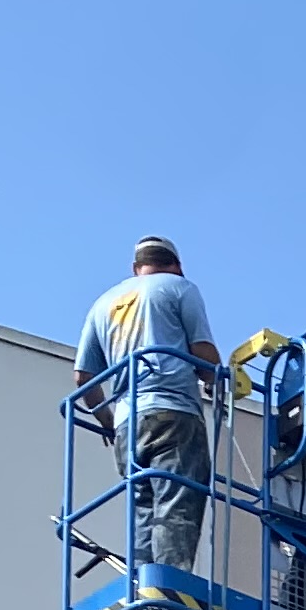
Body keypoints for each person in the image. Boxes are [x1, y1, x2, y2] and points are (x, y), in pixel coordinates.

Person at [73, 238, 223, 570]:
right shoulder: (179, 288)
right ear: (177, 265)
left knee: (144, 508)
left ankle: (142, 583)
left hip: (128, 422)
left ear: (135, 268)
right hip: (174, 410)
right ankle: (169, 585)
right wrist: (220, 380)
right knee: (177, 501)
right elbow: (203, 353)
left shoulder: (103, 303)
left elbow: (84, 378)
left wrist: (107, 422)